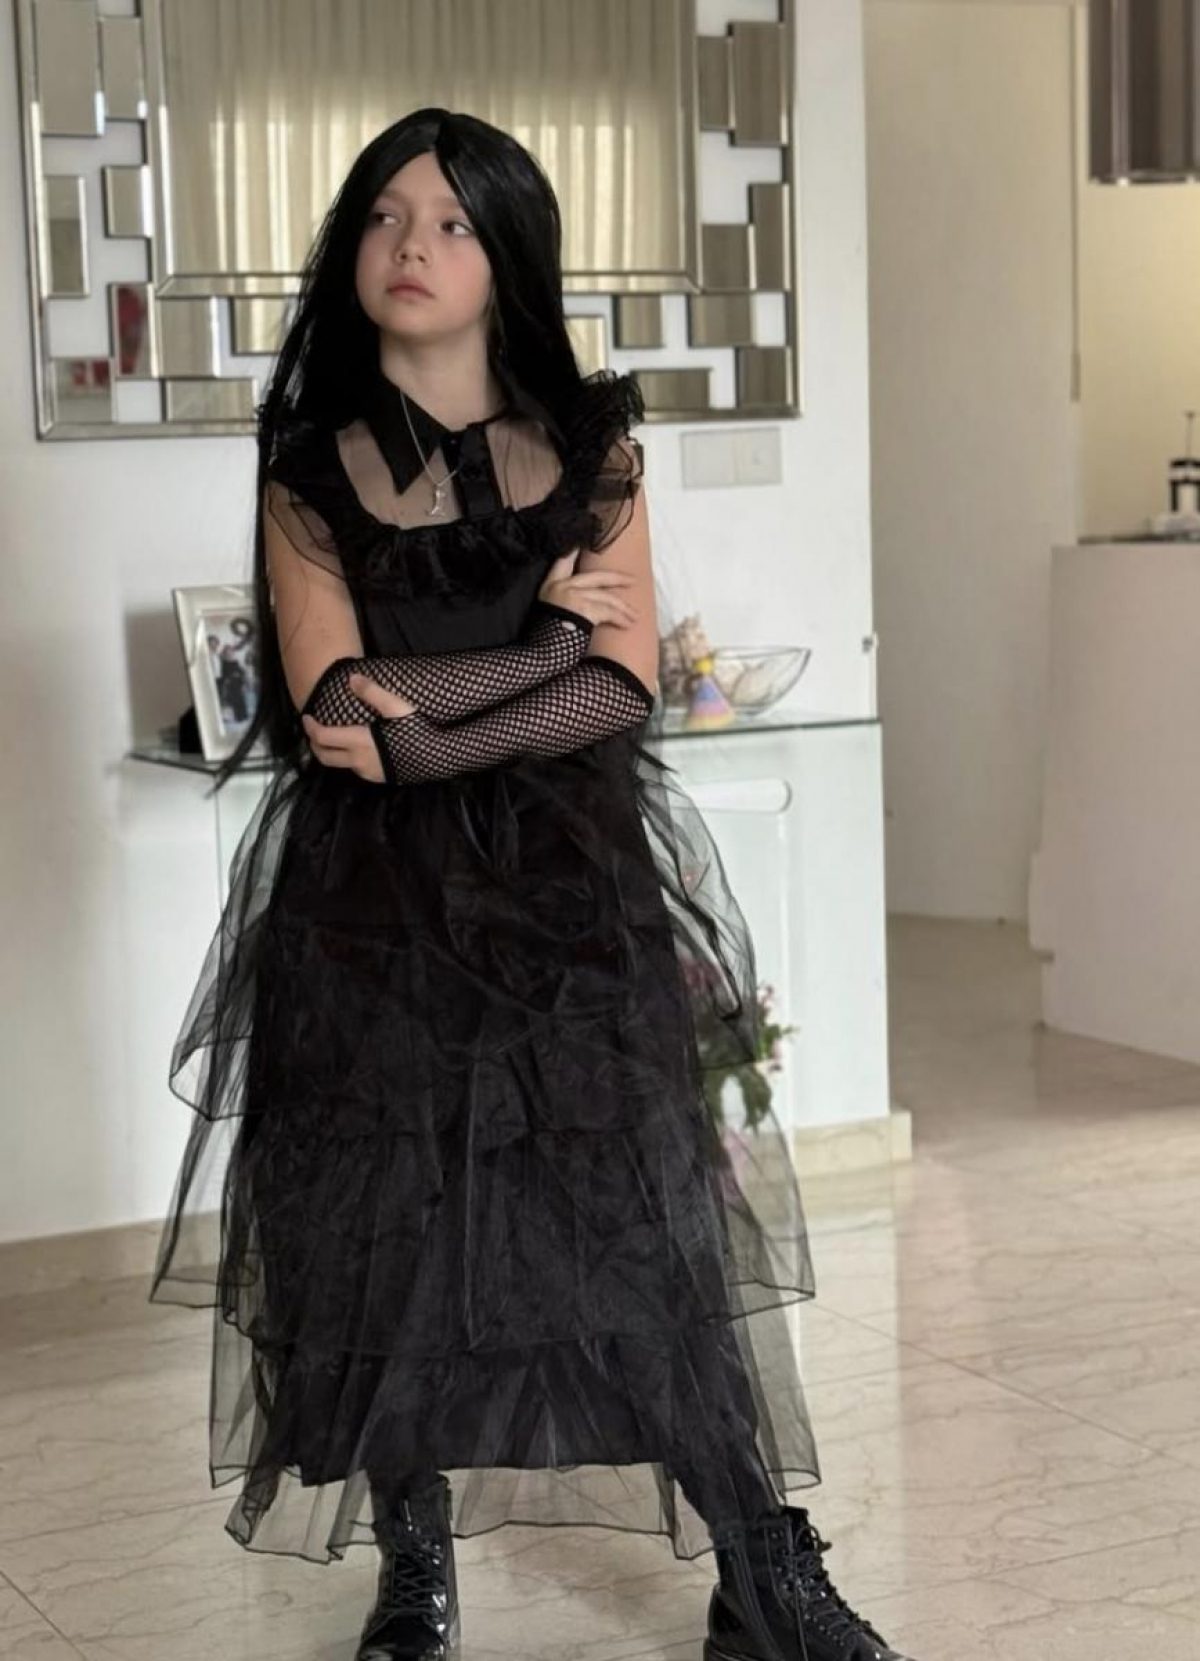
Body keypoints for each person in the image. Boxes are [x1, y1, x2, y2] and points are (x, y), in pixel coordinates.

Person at [148, 107, 915, 1661]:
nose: (411, 246)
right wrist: (540, 650)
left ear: (507, 255)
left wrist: (446, 724)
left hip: (568, 896)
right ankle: (413, 1567)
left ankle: (760, 1567)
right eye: (385, 216)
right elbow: (337, 707)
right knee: (388, 1228)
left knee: (637, 1225)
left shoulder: (593, 444)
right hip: (371, 906)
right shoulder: (309, 467)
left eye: (449, 222)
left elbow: (620, 685)